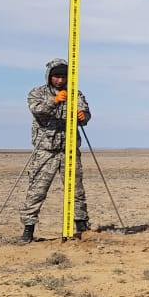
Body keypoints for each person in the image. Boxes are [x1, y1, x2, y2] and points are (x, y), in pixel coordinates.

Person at [21, 58, 91, 242]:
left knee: (76, 190)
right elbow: (36, 109)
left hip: (68, 150)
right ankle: (28, 229)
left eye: (63, 77)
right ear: (49, 77)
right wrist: (54, 101)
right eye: (56, 77)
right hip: (46, 150)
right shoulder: (38, 93)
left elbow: (85, 114)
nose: (60, 80)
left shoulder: (76, 94)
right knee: (37, 190)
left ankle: (82, 227)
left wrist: (83, 116)